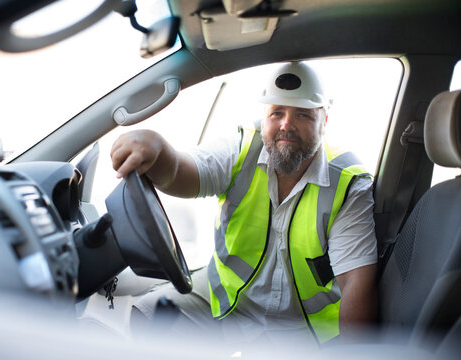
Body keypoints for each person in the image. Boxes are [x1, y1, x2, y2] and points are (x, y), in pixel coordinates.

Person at [110, 62, 377, 345]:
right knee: (148, 318)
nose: (287, 124)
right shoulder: (241, 149)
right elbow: (181, 171)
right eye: (277, 112)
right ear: (264, 117)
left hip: (300, 332)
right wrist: (158, 149)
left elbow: (356, 287)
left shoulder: (349, 185)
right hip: (228, 303)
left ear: (323, 122)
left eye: (302, 114)